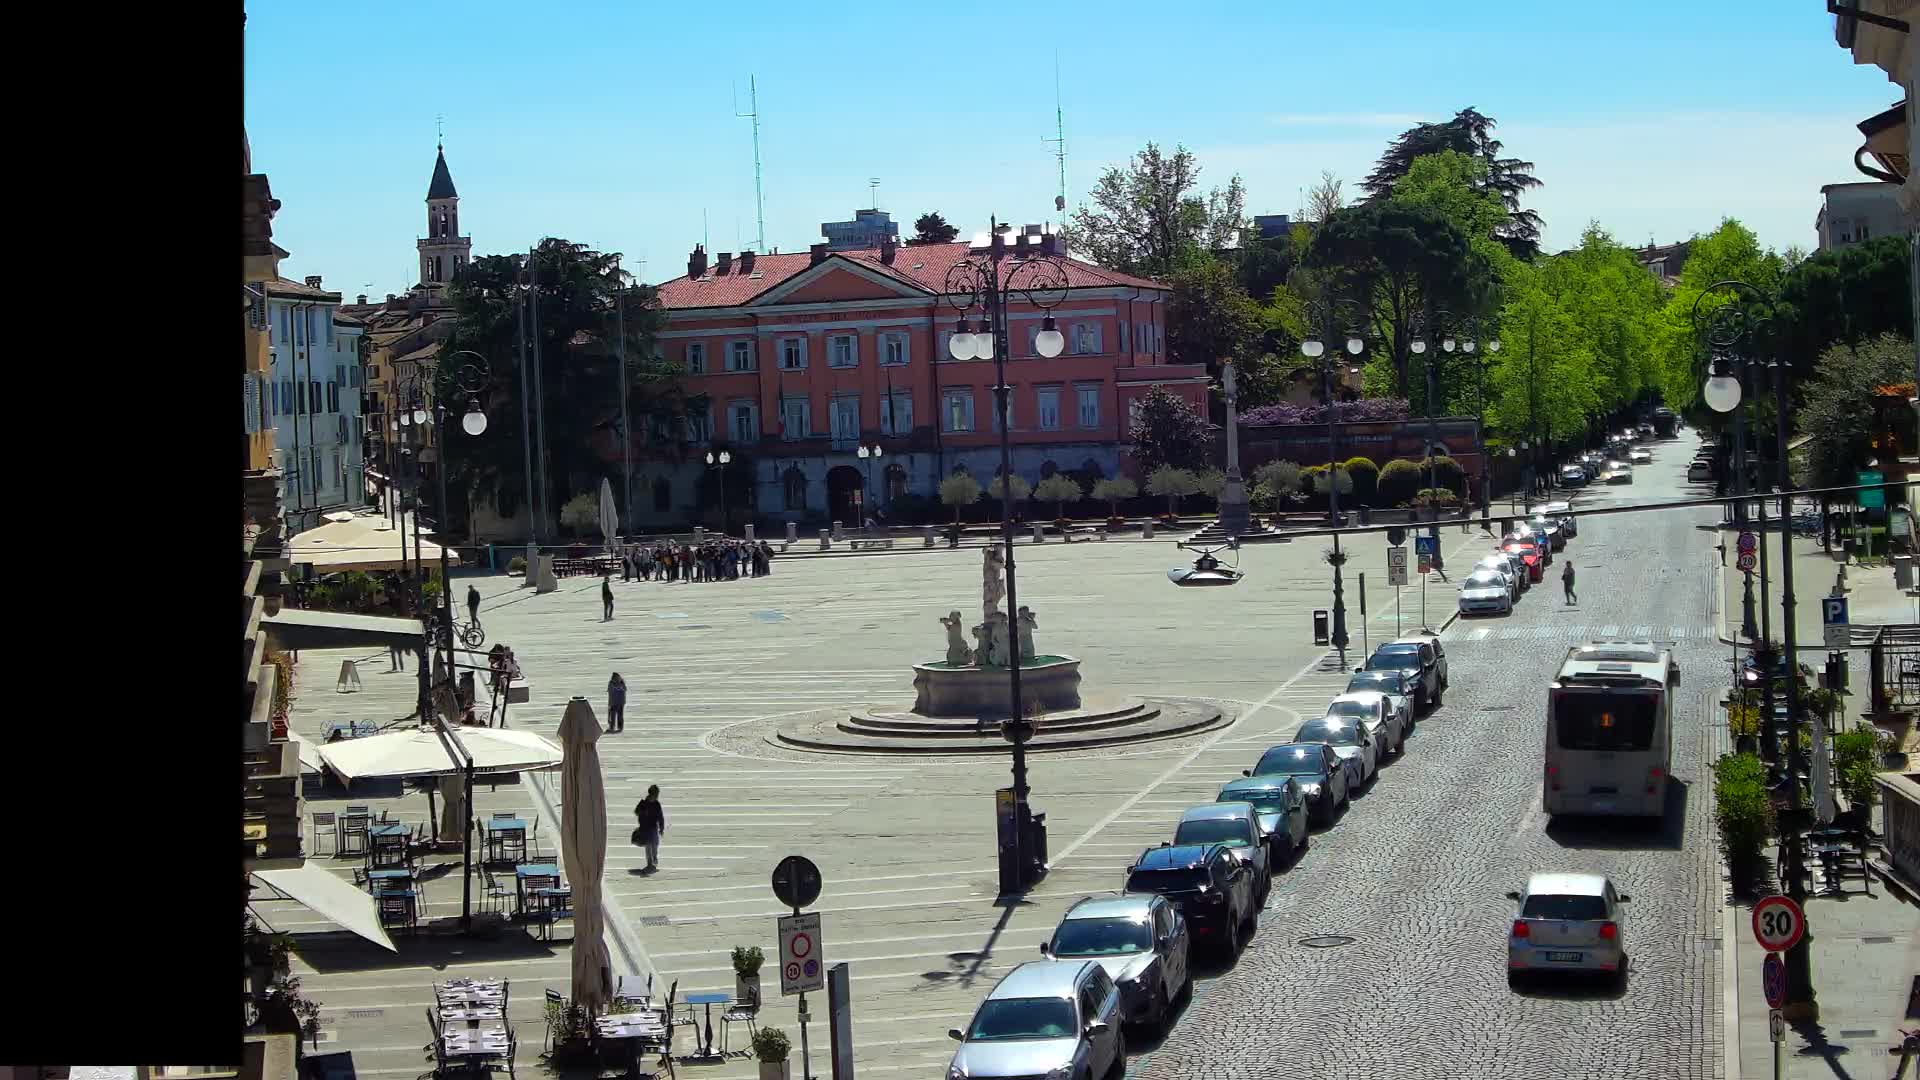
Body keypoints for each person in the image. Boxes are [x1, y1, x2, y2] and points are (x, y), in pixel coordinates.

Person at [634, 785, 666, 872]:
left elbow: (660, 817)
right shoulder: (644, 803)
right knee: (648, 846)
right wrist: (642, 810)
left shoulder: (657, 804)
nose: (657, 796)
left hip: (654, 828)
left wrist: (661, 828)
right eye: (656, 794)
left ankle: (654, 857)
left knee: (655, 845)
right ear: (652, 794)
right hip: (645, 828)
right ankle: (649, 864)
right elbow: (636, 812)